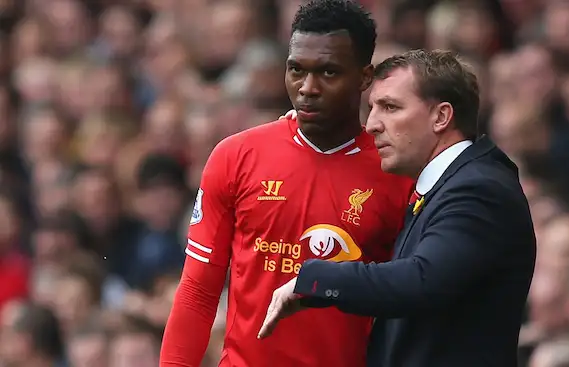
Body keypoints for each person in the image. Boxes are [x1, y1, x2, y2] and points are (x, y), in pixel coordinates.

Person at [159, 1, 414, 366]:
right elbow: (198, 291)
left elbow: (410, 297)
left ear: (364, 77)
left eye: (328, 72)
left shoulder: (397, 173)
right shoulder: (235, 156)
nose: (307, 88)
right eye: (296, 70)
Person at [259, 50, 537, 367]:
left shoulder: (478, 190)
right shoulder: (444, 186)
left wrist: (313, 279)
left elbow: (420, 279)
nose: (372, 124)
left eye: (390, 107)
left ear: (441, 117)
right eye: (372, 108)